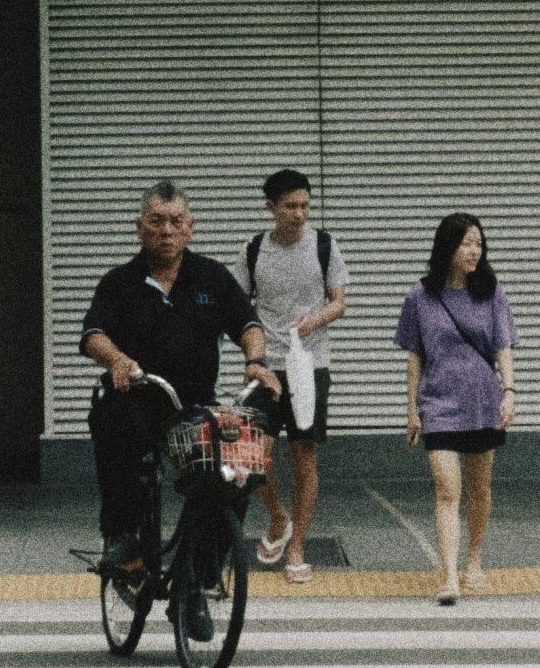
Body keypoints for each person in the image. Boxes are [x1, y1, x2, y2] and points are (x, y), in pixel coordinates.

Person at [79, 183, 274, 571]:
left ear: (190, 227)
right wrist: (117, 359)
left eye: (175, 221)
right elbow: (92, 335)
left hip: (195, 406)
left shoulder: (212, 277)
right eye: (156, 221)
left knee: (237, 466)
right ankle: (122, 536)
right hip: (137, 398)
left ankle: (204, 569)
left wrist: (256, 361)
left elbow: (248, 324)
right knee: (112, 422)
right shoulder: (119, 282)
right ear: (140, 227)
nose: (166, 231)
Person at [239, 165, 348, 580]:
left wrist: (315, 319)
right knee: (253, 456)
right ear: (270, 207)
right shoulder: (253, 249)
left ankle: (298, 545)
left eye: (305, 205)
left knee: (304, 458)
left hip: (310, 366)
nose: (300, 214)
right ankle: (278, 518)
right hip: (266, 366)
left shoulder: (324, 245)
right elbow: (239, 308)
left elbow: (339, 302)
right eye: (290, 206)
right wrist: (251, 357)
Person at [397, 211, 513, 602]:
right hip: (439, 404)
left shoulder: (491, 292)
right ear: (448, 247)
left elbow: (503, 346)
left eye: (479, 243)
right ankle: (449, 575)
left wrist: (510, 391)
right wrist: (412, 410)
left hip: (482, 402)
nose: (474, 251)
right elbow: (415, 355)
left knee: (479, 489)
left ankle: (473, 559)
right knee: (448, 489)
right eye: (466, 243)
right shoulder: (420, 295)